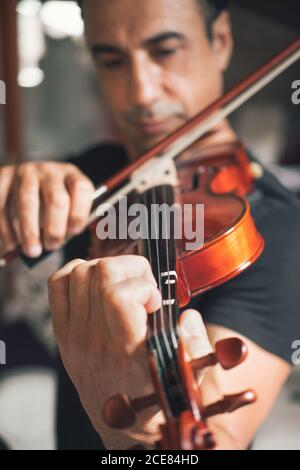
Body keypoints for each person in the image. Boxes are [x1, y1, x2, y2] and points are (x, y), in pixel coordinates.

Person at [0, 0, 300, 449]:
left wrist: (136, 436)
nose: (140, 93)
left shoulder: (280, 231)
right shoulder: (95, 173)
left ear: (219, 41)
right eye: (112, 60)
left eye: (164, 51)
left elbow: (222, 436)